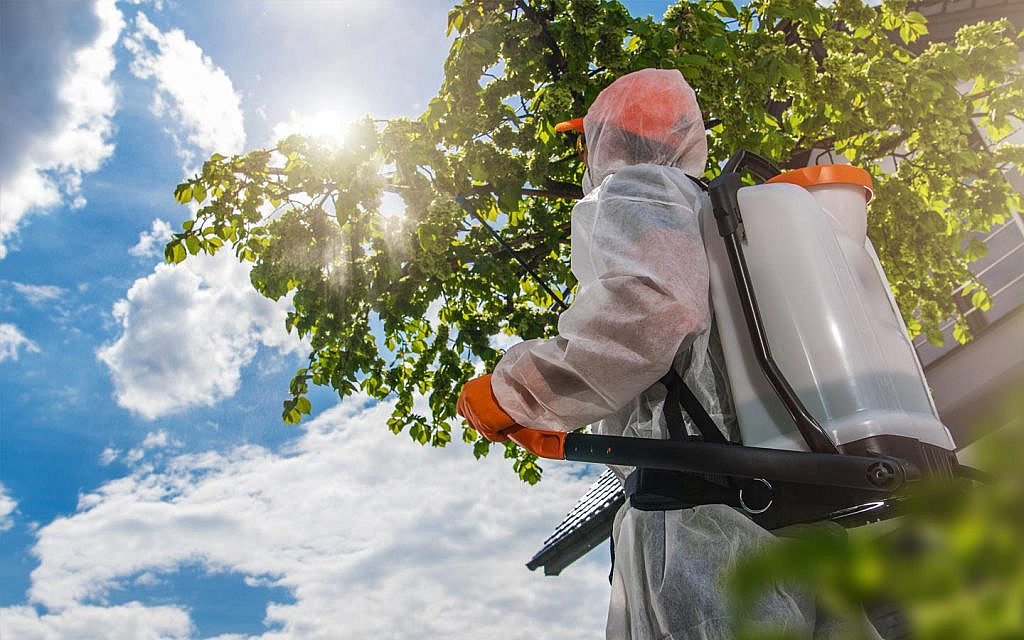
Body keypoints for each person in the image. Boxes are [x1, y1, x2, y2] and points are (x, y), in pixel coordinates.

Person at [456, 68, 853, 639]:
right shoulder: (724, 217)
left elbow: (657, 308)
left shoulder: (639, 191)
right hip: (793, 509)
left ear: (612, 142)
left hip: (702, 516)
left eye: (589, 141)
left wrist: (513, 394)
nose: (587, 158)